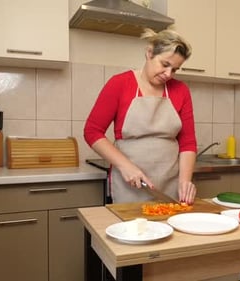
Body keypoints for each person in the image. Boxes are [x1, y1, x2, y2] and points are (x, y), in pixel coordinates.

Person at [84, 28, 198, 205]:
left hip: (169, 185)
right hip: (129, 184)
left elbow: (188, 143)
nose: (168, 74)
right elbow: (92, 132)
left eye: (174, 69)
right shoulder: (119, 84)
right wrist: (125, 166)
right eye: (165, 64)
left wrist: (184, 181)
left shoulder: (181, 90)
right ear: (149, 53)